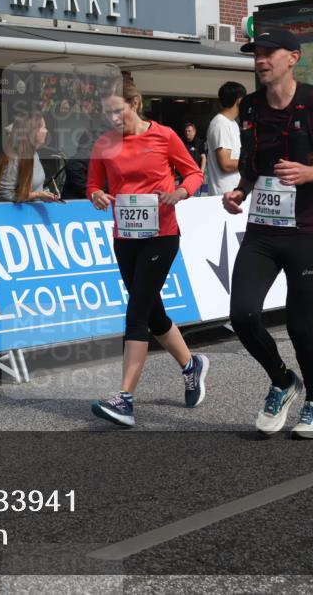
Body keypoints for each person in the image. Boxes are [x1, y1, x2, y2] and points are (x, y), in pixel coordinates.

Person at [221, 30, 313, 439]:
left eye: (269, 53)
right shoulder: (250, 106)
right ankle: (282, 381)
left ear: (293, 58)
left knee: (299, 326)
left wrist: (309, 173)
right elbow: (254, 164)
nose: (260, 60)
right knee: (242, 316)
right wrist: (240, 191)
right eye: (256, 55)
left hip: (305, 231)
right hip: (261, 230)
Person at [87, 79, 208, 428]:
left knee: (137, 311)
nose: (113, 119)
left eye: (118, 110)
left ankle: (124, 399)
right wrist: (96, 195)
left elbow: (193, 172)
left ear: (136, 103)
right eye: (107, 113)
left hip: (161, 236)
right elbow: (93, 184)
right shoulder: (104, 143)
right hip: (125, 238)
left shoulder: (164, 136)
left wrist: (181, 192)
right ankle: (191, 365)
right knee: (153, 314)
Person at [0, 112, 61, 203]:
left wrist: (43, 196)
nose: (46, 131)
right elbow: (4, 194)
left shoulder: (34, 154)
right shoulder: (14, 157)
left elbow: (34, 189)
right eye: (44, 127)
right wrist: (37, 195)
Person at [204, 81, 248, 196]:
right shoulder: (220, 124)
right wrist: (250, 162)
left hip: (234, 193)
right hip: (224, 195)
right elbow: (226, 164)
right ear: (239, 101)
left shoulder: (232, 123)